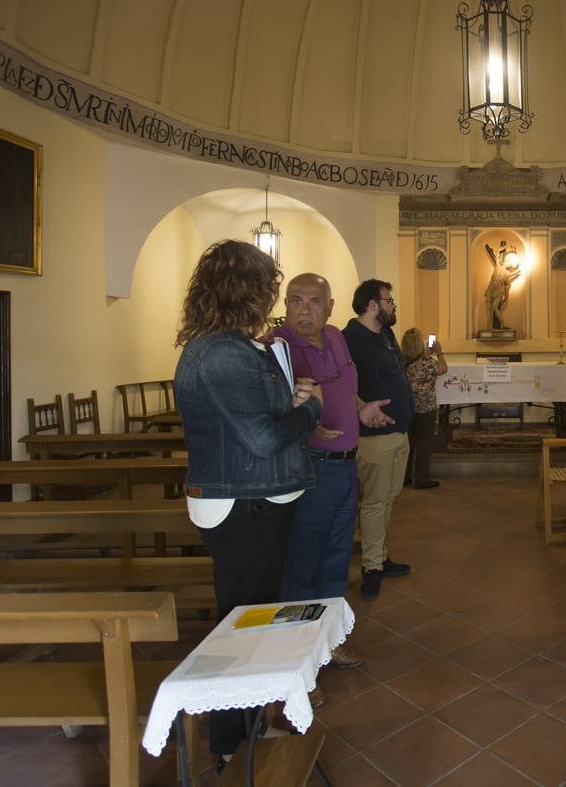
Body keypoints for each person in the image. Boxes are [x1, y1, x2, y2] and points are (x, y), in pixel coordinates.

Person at [173, 240, 324, 763]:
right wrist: (311, 411)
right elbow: (262, 439)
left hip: (250, 498)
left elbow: (253, 420)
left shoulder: (228, 347)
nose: (273, 300)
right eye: (269, 289)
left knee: (253, 619)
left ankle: (248, 728)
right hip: (243, 503)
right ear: (247, 291)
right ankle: (231, 748)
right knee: (241, 626)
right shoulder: (222, 353)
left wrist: (292, 399)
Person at [270, 273, 392, 663]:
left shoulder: (337, 337)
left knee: (337, 560)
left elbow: (344, 385)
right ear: (285, 304)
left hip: (345, 466)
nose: (305, 309)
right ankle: (294, 659)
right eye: (296, 300)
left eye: (314, 301)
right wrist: (302, 417)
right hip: (309, 468)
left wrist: (361, 409)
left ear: (330, 307)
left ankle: (326, 642)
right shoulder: (276, 349)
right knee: (302, 563)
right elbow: (267, 408)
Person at [342, 279, 414, 598]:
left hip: (398, 432)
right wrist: (361, 407)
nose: (393, 305)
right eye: (389, 300)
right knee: (374, 501)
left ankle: (381, 556)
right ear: (373, 305)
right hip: (375, 436)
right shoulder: (350, 339)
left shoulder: (385, 333)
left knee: (387, 499)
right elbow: (342, 385)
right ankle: (371, 567)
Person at [400, 327, 447, 490]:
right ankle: (421, 479)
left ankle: (404, 477)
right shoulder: (427, 363)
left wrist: (425, 353)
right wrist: (439, 353)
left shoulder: (400, 361)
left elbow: (414, 363)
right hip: (426, 408)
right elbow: (443, 369)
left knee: (408, 443)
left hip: (407, 408)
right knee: (424, 443)